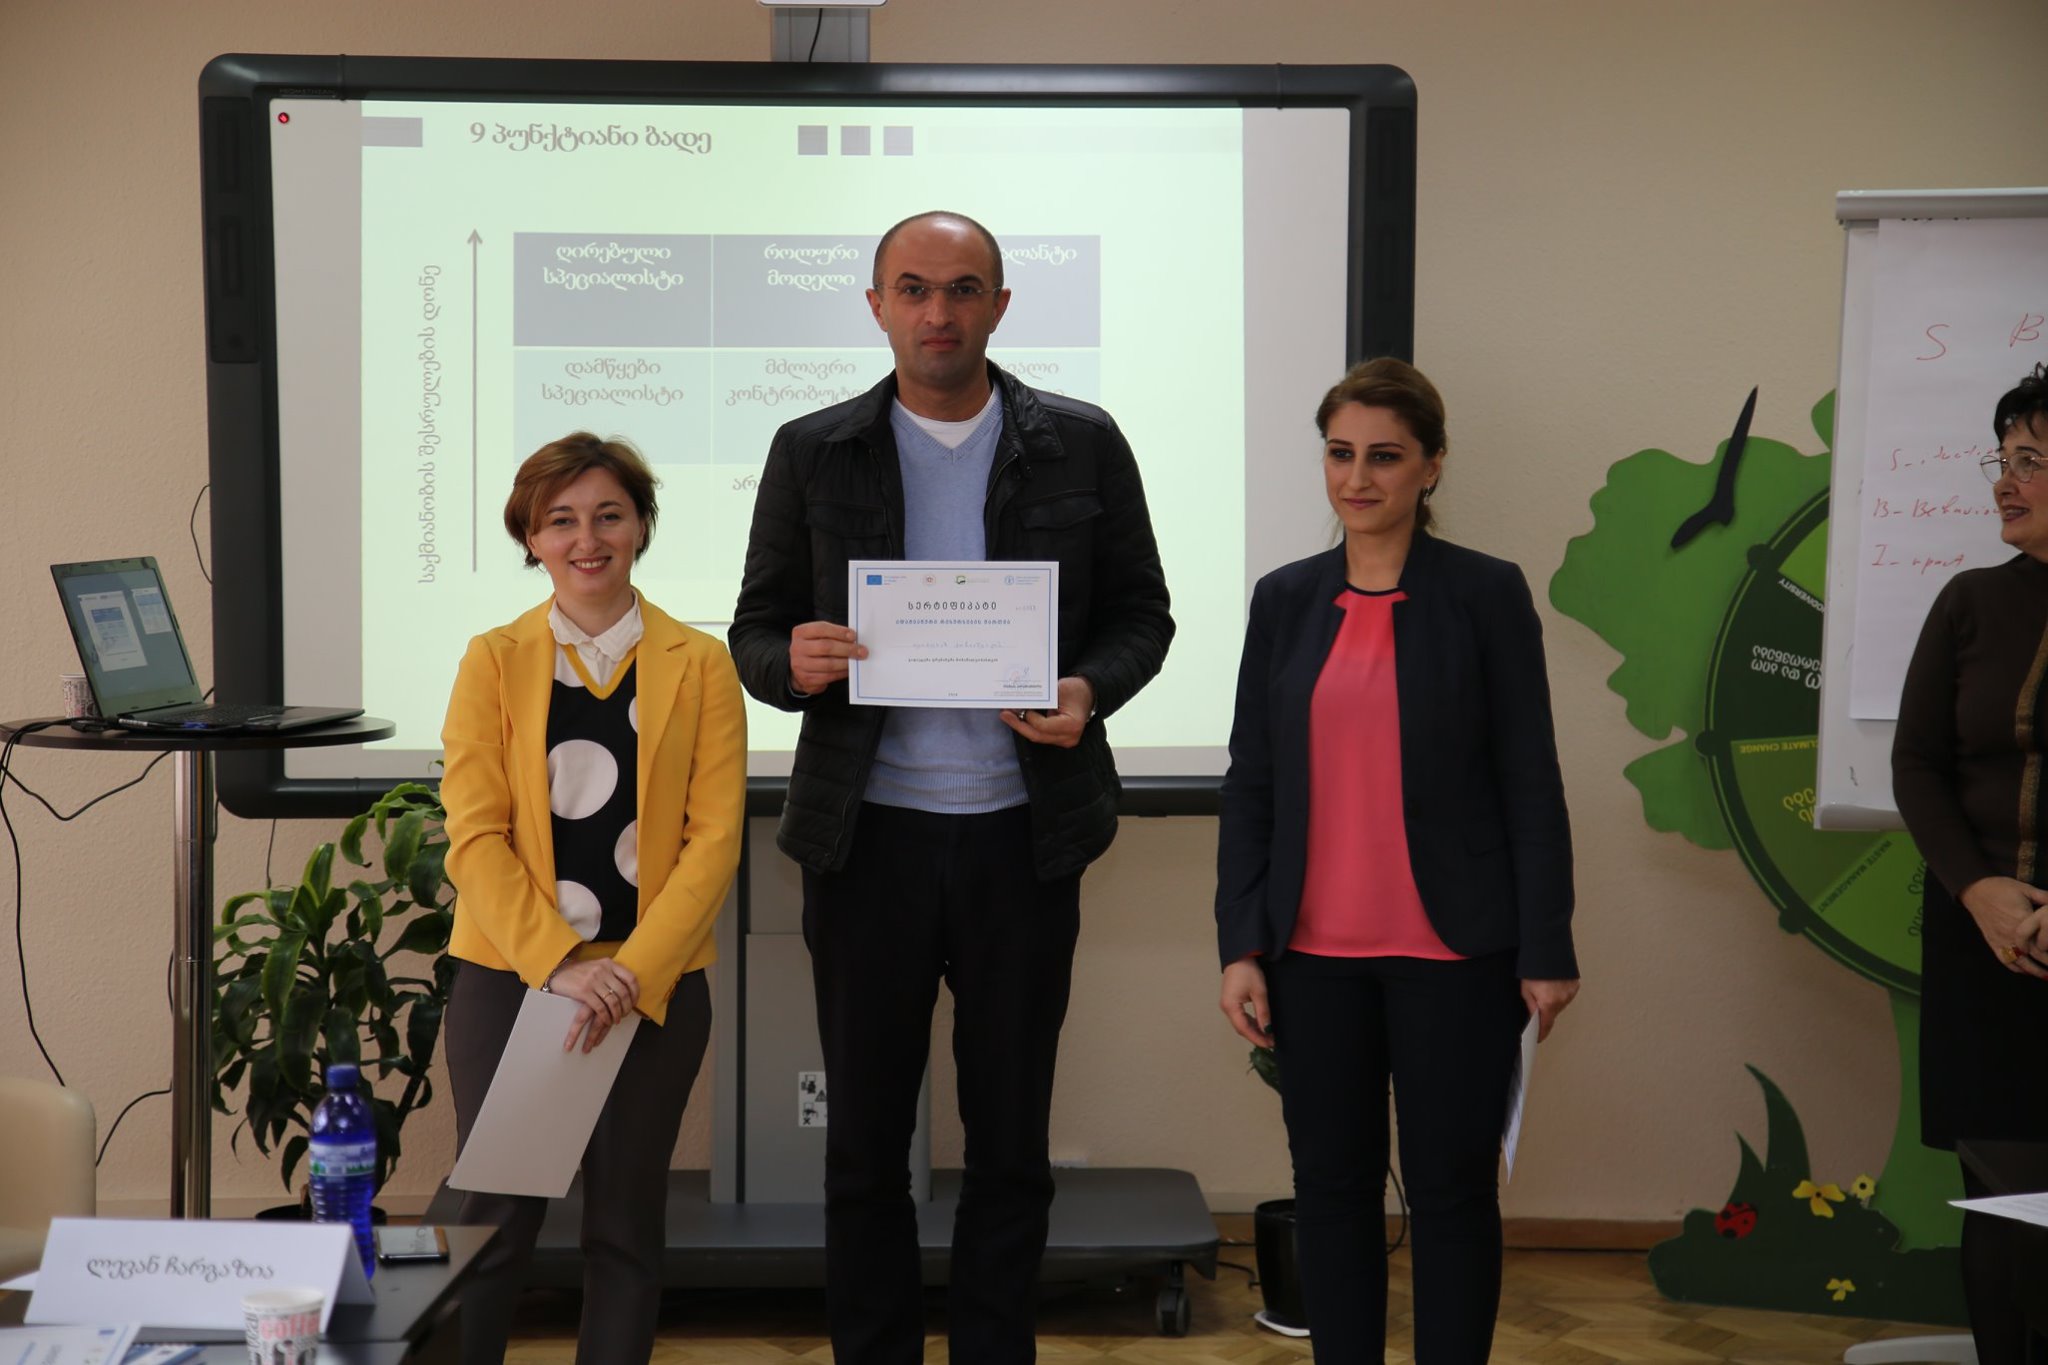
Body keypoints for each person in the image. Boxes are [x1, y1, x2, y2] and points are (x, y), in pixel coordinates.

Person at [729, 210, 1173, 1363]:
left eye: (964, 289)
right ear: (877, 306)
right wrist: (791, 664)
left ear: (999, 306)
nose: (939, 312)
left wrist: (1086, 689)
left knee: (1010, 1146)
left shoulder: (1080, 444)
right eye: (915, 289)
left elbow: (1142, 615)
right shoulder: (812, 450)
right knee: (863, 1150)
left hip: (1022, 839)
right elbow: (754, 633)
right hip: (865, 841)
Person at [1214, 358, 1578, 1363]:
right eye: (1339, 454)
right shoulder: (1284, 599)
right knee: (1332, 1190)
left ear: (1431, 465)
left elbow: (1530, 779)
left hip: (1456, 953)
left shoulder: (1484, 593)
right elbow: (1251, 784)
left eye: (1384, 456)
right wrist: (1240, 943)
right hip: (1309, 955)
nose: (1357, 477)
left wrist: (1546, 945)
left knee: (1451, 1192)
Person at [439, 432, 746, 1364]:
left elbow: (713, 841)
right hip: (513, 977)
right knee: (493, 1226)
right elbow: (475, 836)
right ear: (531, 538)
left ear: (642, 525)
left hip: (650, 987)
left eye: (609, 515)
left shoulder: (701, 663)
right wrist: (563, 963)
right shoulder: (493, 660)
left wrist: (629, 972)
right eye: (560, 520)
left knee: (625, 1229)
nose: (587, 539)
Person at [1893, 362, 2048, 1365]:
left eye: (2028, 460)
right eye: (2001, 459)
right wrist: (1979, 891)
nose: (2003, 480)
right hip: (1981, 943)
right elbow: (1916, 764)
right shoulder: (1968, 603)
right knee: (1998, 1197)